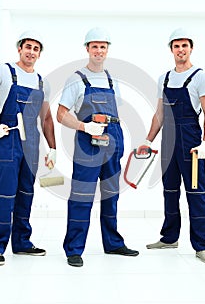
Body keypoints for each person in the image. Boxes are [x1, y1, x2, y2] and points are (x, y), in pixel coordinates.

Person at [0, 30, 56, 266]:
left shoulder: (42, 82)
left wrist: (53, 148)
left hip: (31, 143)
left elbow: (47, 118)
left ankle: (21, 243)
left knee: (26, 193)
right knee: (4, 193)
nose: (31, 52)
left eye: (36, 48)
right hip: (8, 139)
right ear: (20, 49)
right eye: (27, 47)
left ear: (40, 54)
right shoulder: (3, 71)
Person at [57, 27, 139, 267]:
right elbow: (62, 114)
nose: (99, 51)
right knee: (82, 196)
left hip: (113, 140)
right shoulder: (76, 78)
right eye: (95, 46)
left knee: (111, 194)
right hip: (88, 144)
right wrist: (84, 127)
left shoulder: (112, 79)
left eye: (103, 46)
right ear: (87, 49)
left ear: (107, 50)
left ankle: (113, 243)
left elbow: (116, 113)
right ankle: (73, 249)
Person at [137, 28, 205, 263]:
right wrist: (148, 140)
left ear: (191, 48)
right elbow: (159, 114)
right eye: (176, 46)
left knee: (196, 192)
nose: (181, 50)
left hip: (190, 141)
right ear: (171, 49)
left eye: (184, 46)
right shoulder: (165, 78)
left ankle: (201, 245)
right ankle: (170, 237)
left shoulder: (200, 76)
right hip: (168, 141)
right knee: (170, 191)